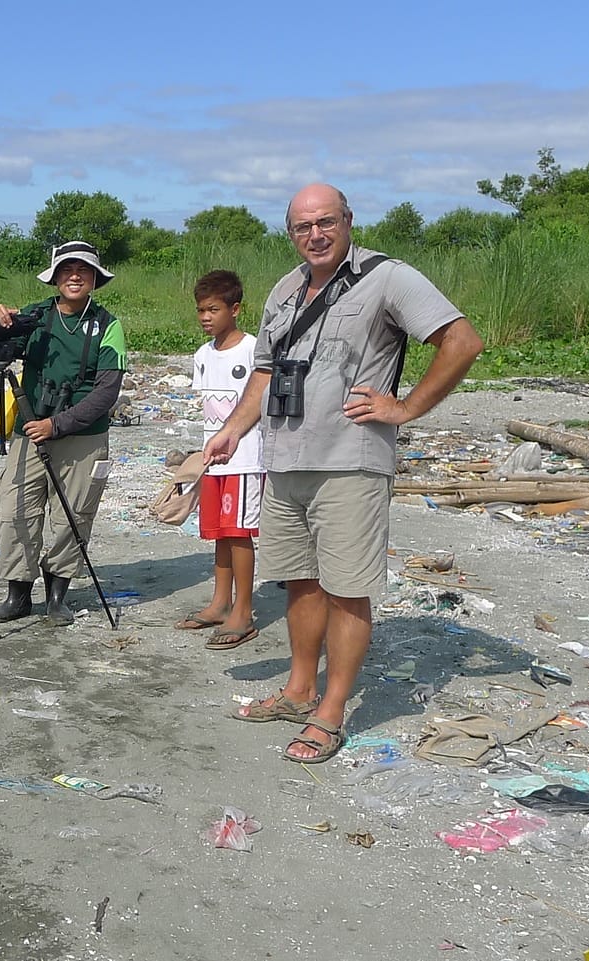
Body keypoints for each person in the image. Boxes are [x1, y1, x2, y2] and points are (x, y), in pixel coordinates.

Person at [205, 184, 482, 764]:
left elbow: (461, 340)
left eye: (326, 222)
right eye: (303, 226)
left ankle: (331, 714)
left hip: (349, 460)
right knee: (300, 581)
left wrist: (405, 408)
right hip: (285, 459)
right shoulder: (284, 289)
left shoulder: (389, 277)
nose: (315, 235)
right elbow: (263, 373)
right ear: (290, 232)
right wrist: (234, 428)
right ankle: (299, 690)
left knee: (347, 589)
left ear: (348, 221)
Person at [0, 240, 128, 626]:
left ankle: (58, 597)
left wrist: (58, 424)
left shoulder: (108, 326)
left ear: (95, 278)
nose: (74, 276)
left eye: (83, 270)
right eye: (66, 269)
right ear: (55, 277)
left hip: (83, 438)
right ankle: (17, 595)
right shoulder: (36, 317)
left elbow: (107, 392)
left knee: (73, 516)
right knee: (15, 511)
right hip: (30, 431)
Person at [177, 270, 265, 650]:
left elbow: (260, 402)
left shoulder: (254, 350)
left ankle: (243, 611)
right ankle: (219, 601)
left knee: (239, 533)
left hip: (246, 459)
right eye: (200, 310)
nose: (205, 317)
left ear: (235, 309)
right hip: (214, 462)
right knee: (218, 533)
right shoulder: (202, 355)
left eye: (213, 309)